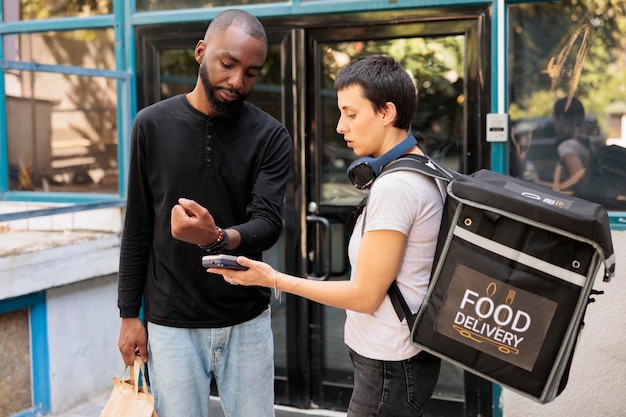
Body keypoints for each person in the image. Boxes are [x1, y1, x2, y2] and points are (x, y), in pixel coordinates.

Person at [209, 55, 442, 417]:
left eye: (350, 113)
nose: (339, 126)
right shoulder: (423, 169)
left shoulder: (397, 187)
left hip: (390, 367)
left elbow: (364, 296)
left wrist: (271, 278)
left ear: (386, 113)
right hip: (395, 363)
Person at [116, 9, 292, 417]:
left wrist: (217, 238)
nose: (237, 81)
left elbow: (268, 224)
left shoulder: (270, 135)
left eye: (251, 72)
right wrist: (129, 316)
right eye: (227, 64)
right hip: (171, 325)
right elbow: (138, 226)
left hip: (246, 321)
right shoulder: (151, 125)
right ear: (201, 52)